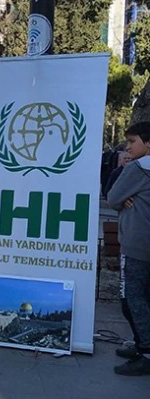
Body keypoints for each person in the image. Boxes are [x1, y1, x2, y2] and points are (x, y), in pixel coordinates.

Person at [107, 122, 150, 376]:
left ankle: (145, 352)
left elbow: (112, 198)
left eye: (133, 141)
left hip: (136, 243)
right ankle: (140, 344)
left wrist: (123, 199)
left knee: (131, 300)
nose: (127, 147)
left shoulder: (137, 169)